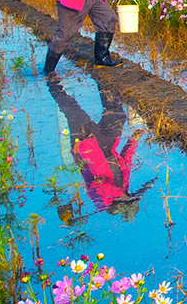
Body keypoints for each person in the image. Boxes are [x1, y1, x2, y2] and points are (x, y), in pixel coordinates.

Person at [45, 76, 148, 222]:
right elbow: (126, 161)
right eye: (131, 197)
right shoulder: (124, 186)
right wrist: (133, 140)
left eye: (129, 199)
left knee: (73, 110)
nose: (130, 195)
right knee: (118, 115)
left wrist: (117, 196)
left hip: (87, 148)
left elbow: (96, 184)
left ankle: (52, 83)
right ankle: (103, 79)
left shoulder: (102, 199)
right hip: (107, 146)